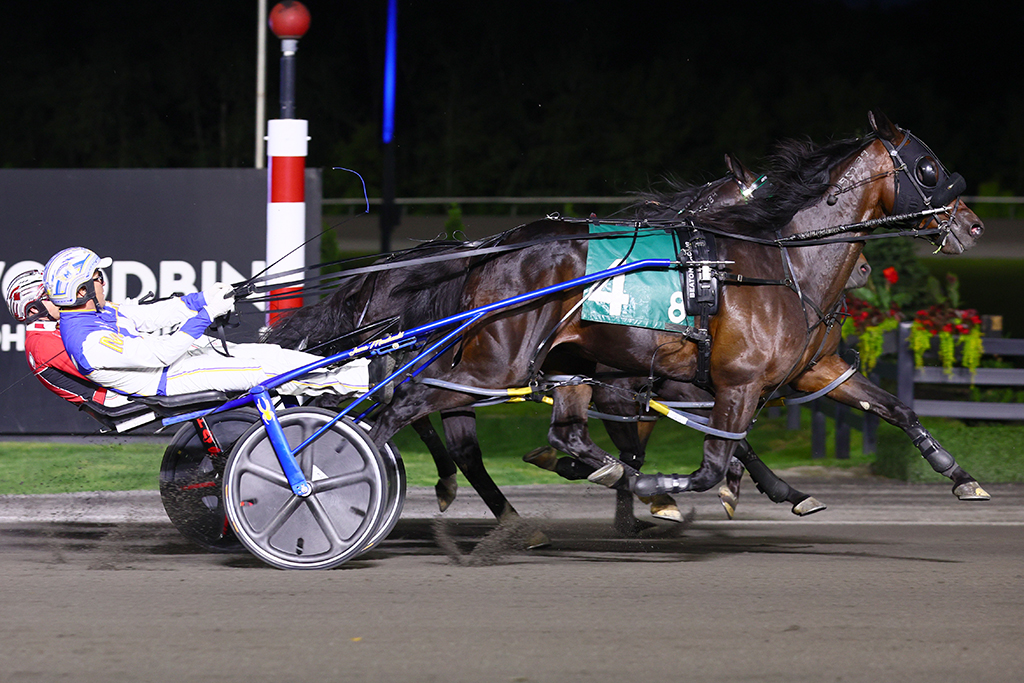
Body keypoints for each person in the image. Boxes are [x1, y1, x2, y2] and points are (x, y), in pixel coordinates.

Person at [41, 247, 370, 399]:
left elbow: (154, 316)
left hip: (179, 363)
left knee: (271, 355)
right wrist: (206, 314)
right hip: (169, 377)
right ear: (82, 290)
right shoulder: (87, 341)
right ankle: (360, 383)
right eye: (98, 276)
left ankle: (351, 373)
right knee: (268, 371)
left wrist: (203, 298)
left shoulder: (93, 310)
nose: (103, 280)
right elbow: (161, 354)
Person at [4, 269, 113, 406]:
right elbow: (101, 369)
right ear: (34, 309)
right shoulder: (41, 342)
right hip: (112, 399)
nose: (61, 299)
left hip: (112, 393)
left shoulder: (44, 335)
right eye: (51, 297)